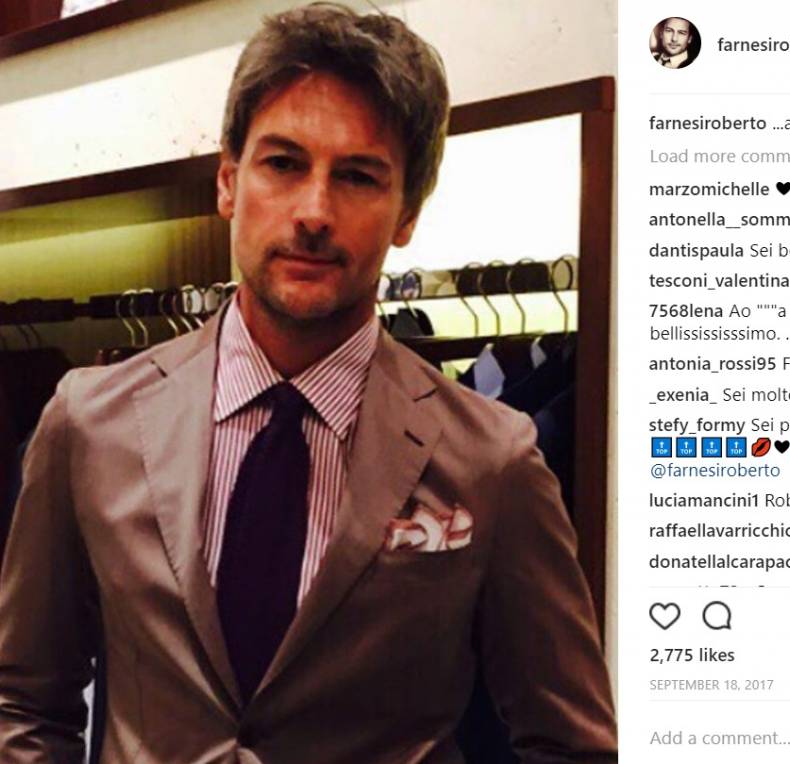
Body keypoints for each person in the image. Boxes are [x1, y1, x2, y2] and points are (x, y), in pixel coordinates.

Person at [0, 3, 617, 762]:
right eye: (284, 164)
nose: (315, 212)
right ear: (228, 182)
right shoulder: (91, 422)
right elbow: (24, 700)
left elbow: (571, 743)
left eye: (357, 176)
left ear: (407, 214)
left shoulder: (492, 459)